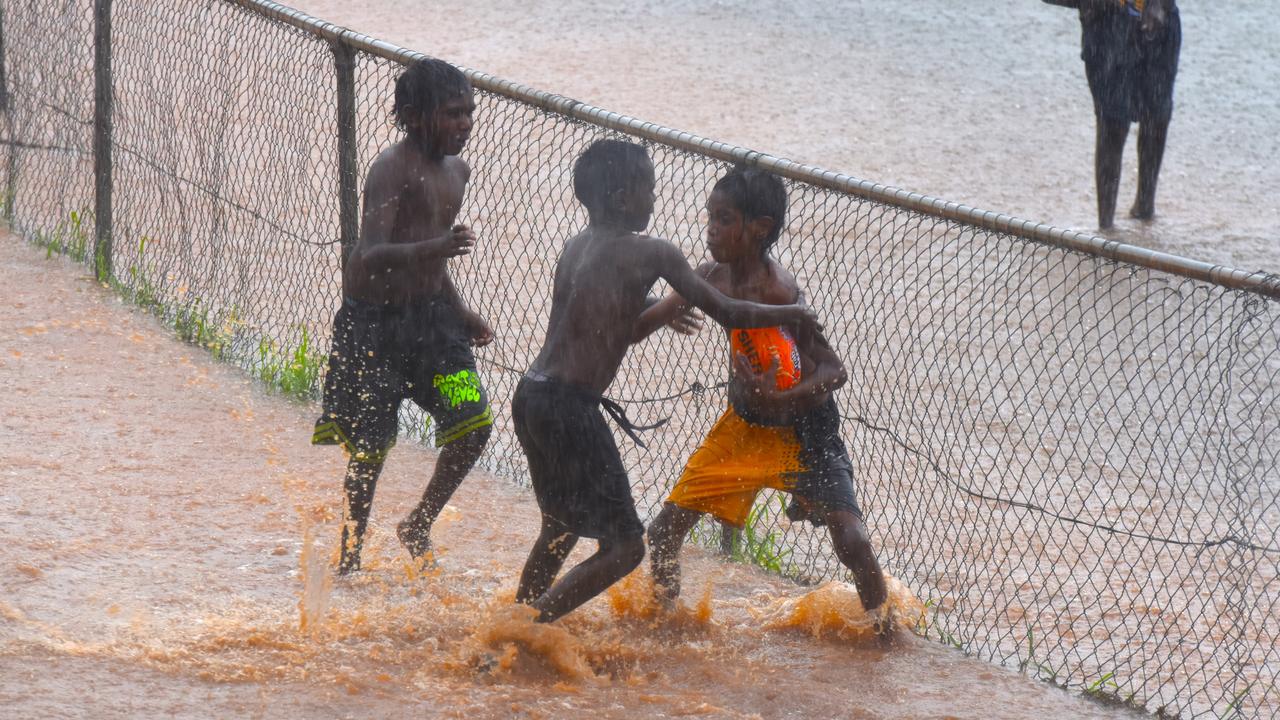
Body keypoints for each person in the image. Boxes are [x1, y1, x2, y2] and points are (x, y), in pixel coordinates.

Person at [511, 140, 817, 624]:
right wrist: (794, 311)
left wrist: (653, 312)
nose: (655, 200)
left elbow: (606, 321)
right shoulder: (653, 251)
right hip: (572, 407)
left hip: (532, 395)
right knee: (626, 546)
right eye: (648, 189)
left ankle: (514, 618)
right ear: (619, 198)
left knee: (560, 526)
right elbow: (730, 311)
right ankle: (526, 630)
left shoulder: (576, 245)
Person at [638, 167, 892, 634]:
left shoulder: (781, 292)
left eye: (725, 219)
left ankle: (887, 633)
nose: (711, 228)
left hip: (804, 431)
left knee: (852, 542)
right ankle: (663, 626)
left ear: (760, 229)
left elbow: (833, 369)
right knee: (663, 532)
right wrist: (660, 307)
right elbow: (649, 316)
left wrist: (781, 396)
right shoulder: (709, 276)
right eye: (710, 216)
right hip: (745, 426)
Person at [312, 58, 494, 575]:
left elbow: (435, 260)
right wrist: (438, 244)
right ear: (414, 116)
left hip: (434, 325)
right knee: (369, 448)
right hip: (374, 328)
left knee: (472, 423)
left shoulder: (458, 172)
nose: (464, 125)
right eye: (453, 114)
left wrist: (462, 313)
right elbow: (369, 254)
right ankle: (349, 555)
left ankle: (419, 523)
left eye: (469, 113)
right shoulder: (391, 169)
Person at [1046, 0, 1181, 229]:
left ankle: (1144, 214)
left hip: (1159, 21)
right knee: (1112, 124)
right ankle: (1106, 231)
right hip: (1106, 24)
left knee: (1157, 118)